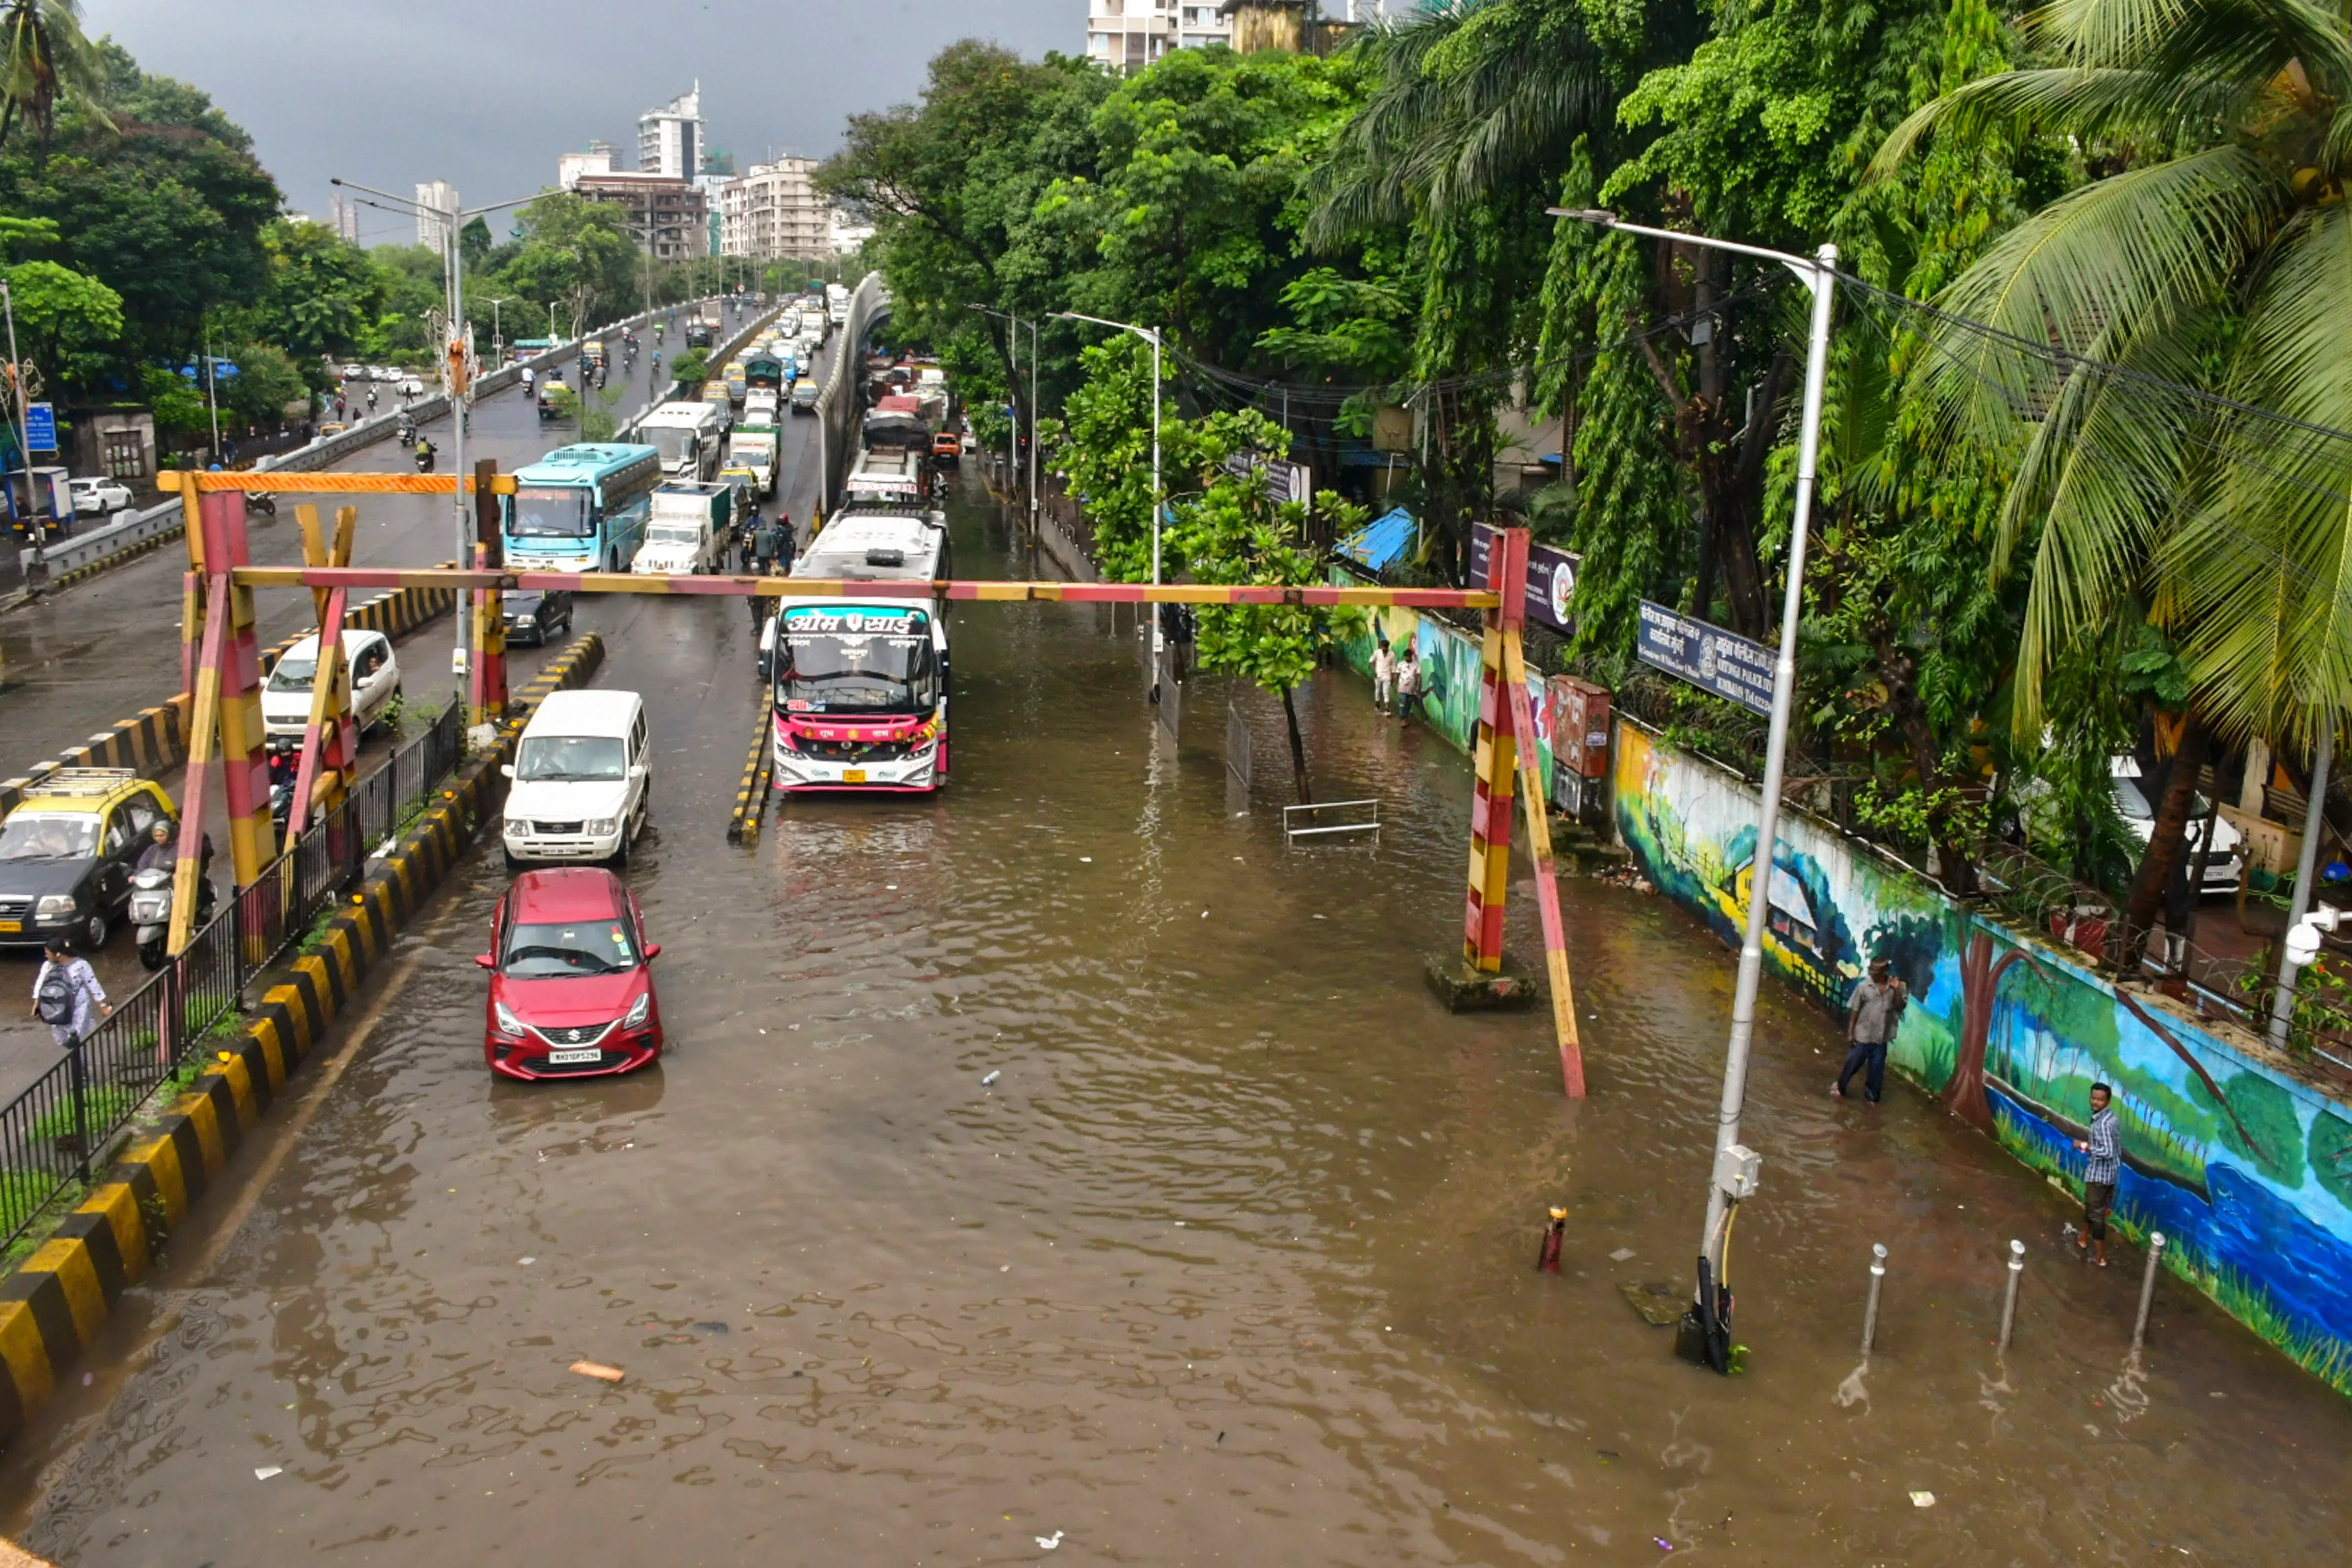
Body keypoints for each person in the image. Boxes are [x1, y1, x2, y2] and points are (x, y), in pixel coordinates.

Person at [1834, 956, 1910, 1104]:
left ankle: (1872, 1099)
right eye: (1871, 970)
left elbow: (1901, 1007)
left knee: (1877, 1073)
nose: (1872, 973)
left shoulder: (1896, 988)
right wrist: (1850, 1033)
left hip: (1881, 1040)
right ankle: (1840, 1087)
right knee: (1851, 1066)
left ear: (1885, 972)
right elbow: (1855, 1010)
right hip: (1863, 1037)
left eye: (1876, 971)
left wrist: (1897, 991)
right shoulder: (1863, 987)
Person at [31, 937, 109, 1054]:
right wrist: (36, 1004)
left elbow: (93, 985)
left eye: (48, 953)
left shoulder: (81, 965)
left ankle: (81, 1066)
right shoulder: (47, 966)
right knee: (62, 1039)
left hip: (79, 1008)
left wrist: (103, 1007)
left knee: (78, 1038)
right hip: (58, 1009)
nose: (46, 956)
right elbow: (40, 984)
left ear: (58, 954)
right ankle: (77, 1059)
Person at [2073, 1083, 2122, 1267]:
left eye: (2100, 1099)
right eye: (2093, 1098)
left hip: (2099, 1177)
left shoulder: (2103, 1124)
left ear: (2108, 1101)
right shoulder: (2111, 1118)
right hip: (2109, 1175)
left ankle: (2101, 1257)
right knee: (2092, 1207)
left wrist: (2084, 1146)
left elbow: (2108, 1151)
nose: (2095, 1102)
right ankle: (2083, 1237)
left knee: (2097, 1216)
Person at [1396, 645, 1424, 724]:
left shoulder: (1416, 665)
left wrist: (1418, 686)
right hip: (1402, 687)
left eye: (1408, 657)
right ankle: (1403, 718)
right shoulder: (1401, 665)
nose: (1407, 658)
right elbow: (1397, 674)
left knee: (1408, 704)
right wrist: (1396, 684)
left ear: (1411, 656)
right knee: (1403, 702)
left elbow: (1418, 676)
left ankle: (1406, 718)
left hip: (1412, 689)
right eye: (1406, 657)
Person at [1371, 635, 1397, 714]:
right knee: (1378, 690)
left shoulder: (1392, 654)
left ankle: (1387, 709)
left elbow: (1393, 666)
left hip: (1387, 676)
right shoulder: (1377, 653)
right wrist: (1374, 671)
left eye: (1386, 648)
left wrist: (1393, 677)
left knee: (1386, 692)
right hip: (1378, 675)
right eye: (1383, 648)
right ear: (1381, 647)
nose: (1384, 650)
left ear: (1388, 647)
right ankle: (1377, 704)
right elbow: (1371, 661)